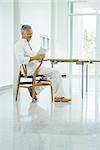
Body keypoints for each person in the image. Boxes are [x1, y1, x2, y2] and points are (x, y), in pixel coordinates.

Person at [15, 24, 71, 102]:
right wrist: (35, 58)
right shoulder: (19, 44)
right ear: (22, 33)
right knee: (55, 72)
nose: (30, 36)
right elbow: (20, 59)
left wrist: (39, 57)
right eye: (28, 34)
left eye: (31, 33)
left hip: (36, 67)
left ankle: (34, 90)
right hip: (31, 69)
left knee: (48, 76)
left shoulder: (27, 44)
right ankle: (59, 97)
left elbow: (32, 57)